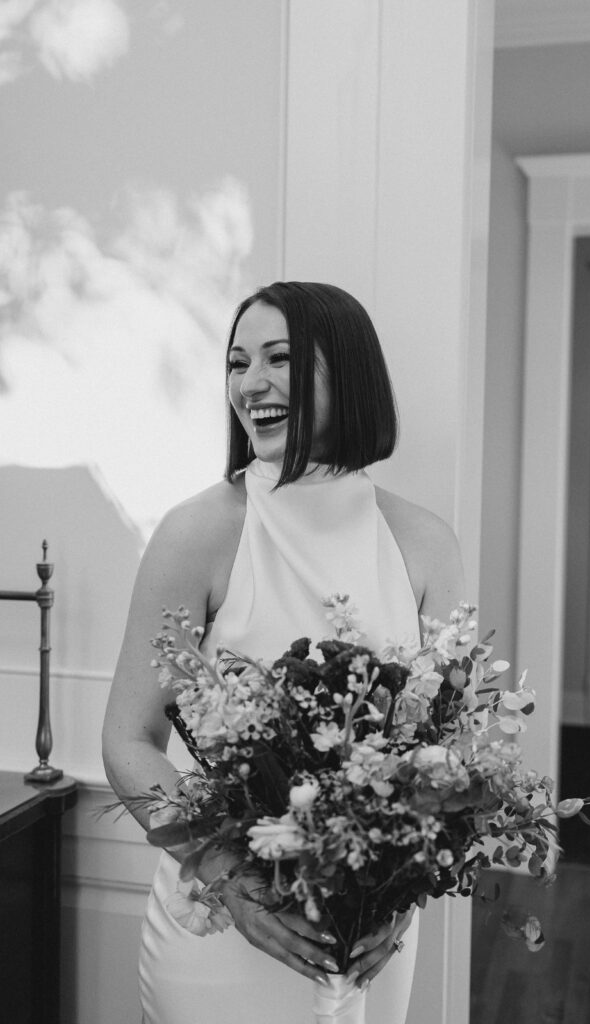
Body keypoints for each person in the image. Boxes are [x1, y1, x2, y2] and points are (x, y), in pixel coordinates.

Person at [102, 281, 465, 1024]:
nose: (250, 384)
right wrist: (230, 879)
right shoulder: (197, 531)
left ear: (351, 374)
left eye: (279, 358)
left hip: (366, 936)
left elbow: (448, 759)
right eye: (238, 363)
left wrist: (401, 893)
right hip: (221, 929)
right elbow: (127, 739)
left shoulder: (425, 542)